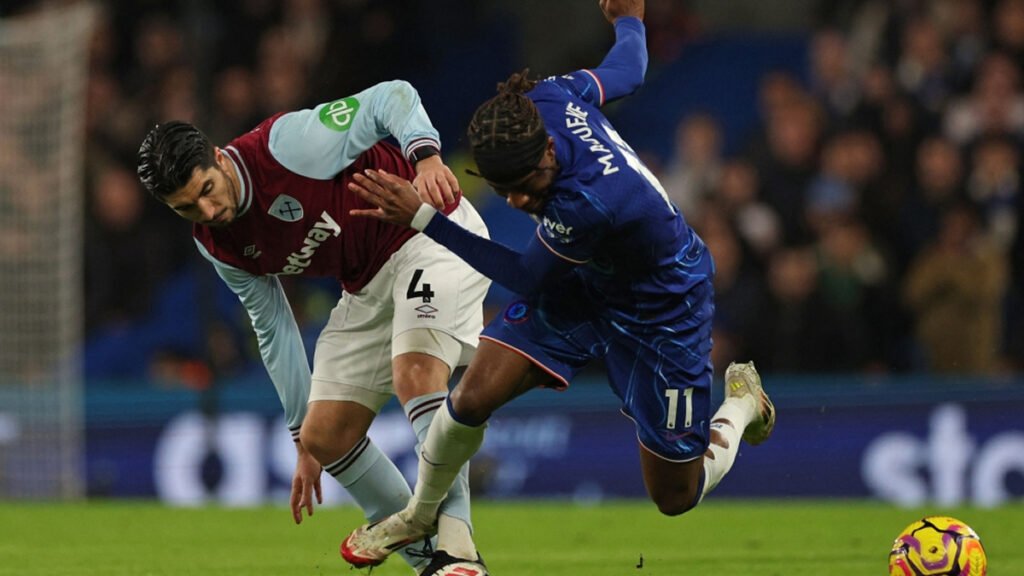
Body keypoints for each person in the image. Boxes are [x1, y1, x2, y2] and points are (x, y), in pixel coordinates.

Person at [339, 0, 775, 569]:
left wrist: (422, 219)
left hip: (662, 308)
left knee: (675, 495)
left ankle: (741, 407)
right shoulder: (545, 100)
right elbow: (628, 72)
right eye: (505, 189)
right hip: (586, 283)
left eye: (525, 186)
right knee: (470, 397)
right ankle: (421, 515)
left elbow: (524, 275)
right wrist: (629, 21)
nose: (518, 201)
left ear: (548, 152)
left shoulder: (590, 200)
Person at [136, 80, 492, 576]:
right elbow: (273, 325)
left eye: (207, 192)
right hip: (366, 283)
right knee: (324, 433)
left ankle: (457, 548)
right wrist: (300, 438)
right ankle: (430, 565)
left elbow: (393, 95)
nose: (208, 212)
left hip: (429, 234)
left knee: (416, 371)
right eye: (187, 209)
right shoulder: (214, 243)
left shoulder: (287, 145)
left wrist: (426, 156)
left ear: (218, 158)